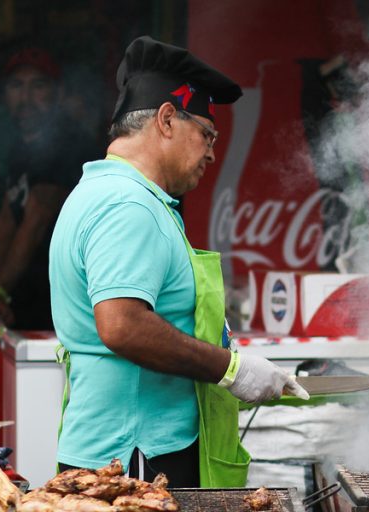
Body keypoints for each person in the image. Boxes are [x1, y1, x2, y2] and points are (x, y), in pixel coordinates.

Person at [49, 36, 308, 488]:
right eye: (207, 134)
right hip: (137, 460)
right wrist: (231, 369)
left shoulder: (100, 192)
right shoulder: (128, 205)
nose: (211, 152)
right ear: (167, 119)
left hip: (120, 451)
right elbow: (122, 325)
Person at [0, 47, 101, 329]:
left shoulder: (68, 142)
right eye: (16, 86)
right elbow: (6, 217)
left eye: (37, 85)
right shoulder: (19, 147)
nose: (25, 98)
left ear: (58, 92)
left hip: (64, 308)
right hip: (27, 300)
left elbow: (37, 215)